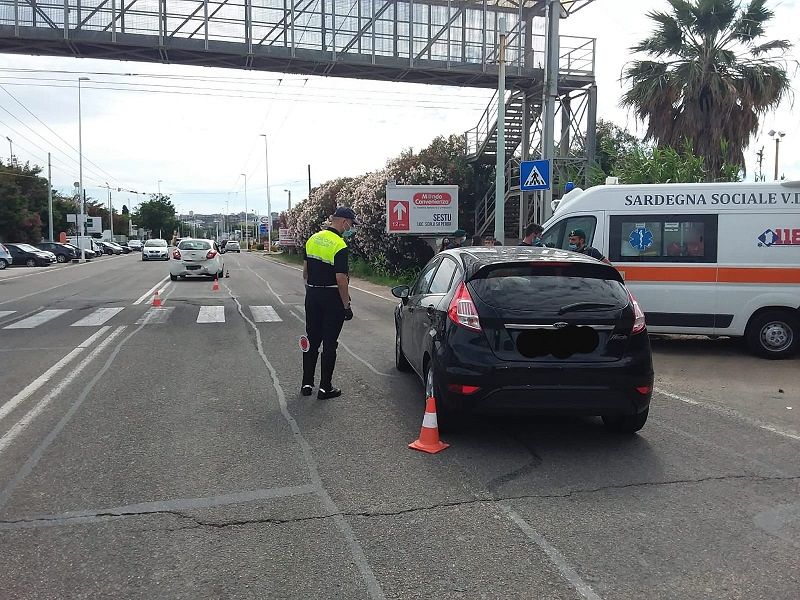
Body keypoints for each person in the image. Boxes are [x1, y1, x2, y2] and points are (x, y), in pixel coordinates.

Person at [301, 207, 358, 400]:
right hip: (332, 296)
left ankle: (307, 383)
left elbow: (305, 272)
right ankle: (325, 388)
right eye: (351, 224)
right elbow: (341, 278)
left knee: (312, 339)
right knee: (329, 343)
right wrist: (346, 306)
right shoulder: (339, 244)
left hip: (313, 294)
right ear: (344, 222)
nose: (351, 228)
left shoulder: (312, 239)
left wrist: (312, 291)